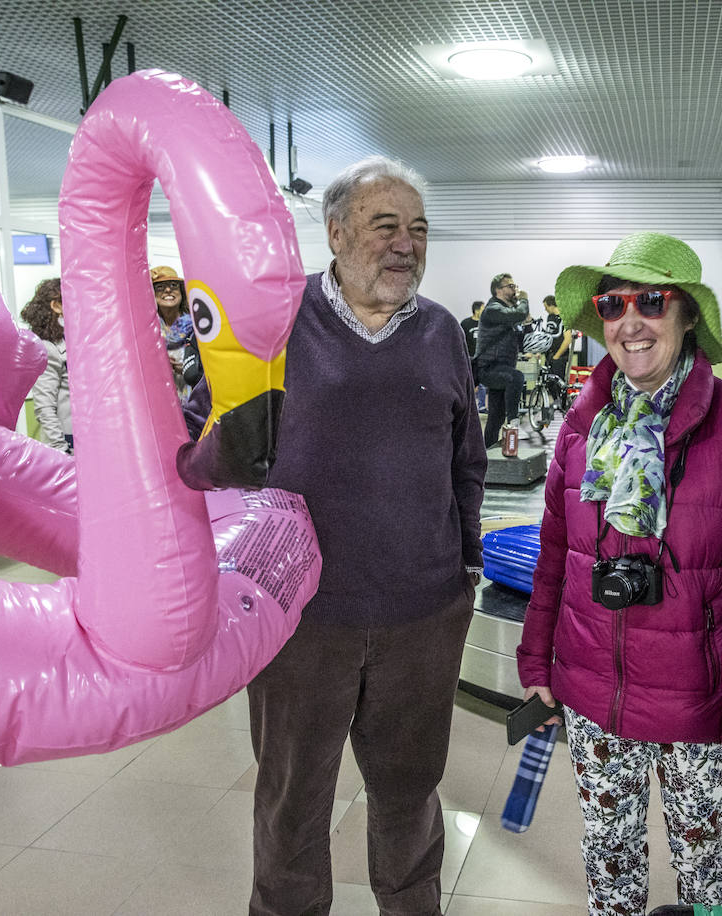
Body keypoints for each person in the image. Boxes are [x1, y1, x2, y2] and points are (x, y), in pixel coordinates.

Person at [517, 232, 722, 914]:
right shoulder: (581, 426)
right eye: (612, 305)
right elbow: (556, 555)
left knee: (706, 865)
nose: (629, 321)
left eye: (650, 301)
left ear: (688, 314)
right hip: (593, 693)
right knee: (608, 855)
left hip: (697, 701)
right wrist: (536, 665)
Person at [247, 156, 486, 916]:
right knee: (292, 795)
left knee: (409, 789)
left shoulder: (442, 333)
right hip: (300, 619)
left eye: (418, 231)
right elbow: (220, 453)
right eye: (386, 227)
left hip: (421, 613)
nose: (406, 246)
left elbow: (467, 461)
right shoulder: (277, 326)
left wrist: (467, 563)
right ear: (337, 231)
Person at [474, 272, 534, 447]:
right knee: (516, 377)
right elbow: (517, 314)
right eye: (511, 286)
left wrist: (527, 323)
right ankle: (514, 422)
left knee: (495, 416)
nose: (515, 289)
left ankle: (486, 452)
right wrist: (524, 300)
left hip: (502, 368)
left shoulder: (509, 313)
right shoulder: (493, 309)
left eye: (515, 286)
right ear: (498, 290)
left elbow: (523, 341)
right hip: (489, 368)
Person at [19, 277, 71, 453]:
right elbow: (44, 406)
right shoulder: (48, 348)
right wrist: (61, 449)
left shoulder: (70, 341)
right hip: (66, 441)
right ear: (56, 306)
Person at [151, 265, 198, 399]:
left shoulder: (197, 327)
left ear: (181, 293)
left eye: (173, 285)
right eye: (160, 287)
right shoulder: (147, 331)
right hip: (160, 399)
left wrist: (189, 369)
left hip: (194, 401)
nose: (167, 290)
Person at [539, 293, 573, 392]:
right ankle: (555, 403)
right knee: (549, 383)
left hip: (559, 356)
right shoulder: (550, 317)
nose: (545, 309)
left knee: (558, 383)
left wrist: (557, 356)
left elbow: (567, 340)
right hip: (549, 354)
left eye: (546, 307)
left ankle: (561, 405)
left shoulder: (564, 318)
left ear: (551, 305)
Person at [461, 299, 485, 410]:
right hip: (469, 357)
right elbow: (461, 340)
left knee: (482, 383)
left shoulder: (485, 324)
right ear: (476, 310)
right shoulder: (465, 323)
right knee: (469, 382)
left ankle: (481, 406)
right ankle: (468, 406)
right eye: (483, 309)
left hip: (482, 358)